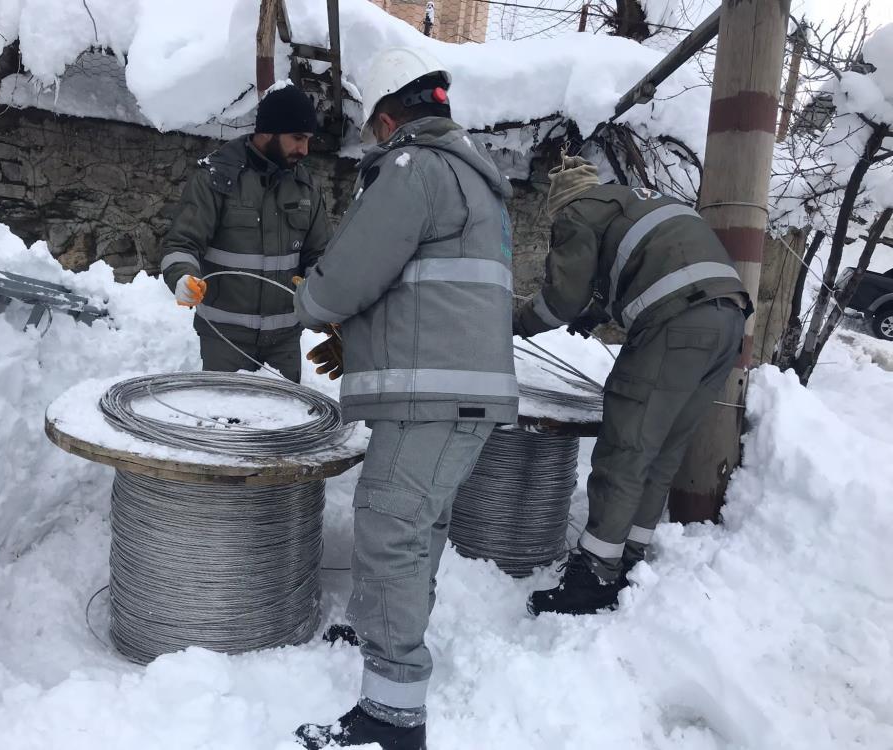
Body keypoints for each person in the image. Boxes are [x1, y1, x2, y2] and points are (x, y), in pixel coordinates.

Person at [291, 48, 518, 750]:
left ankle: (391, 716)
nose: (371, 144)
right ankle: (380, 632)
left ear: (389, 120)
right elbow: (425, 294)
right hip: (453, 393)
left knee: (389, 527)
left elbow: (350, 273)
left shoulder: (413, 169)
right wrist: (362, 339)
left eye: (371, 132)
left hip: (432, 398)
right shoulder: (470, 179)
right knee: (416, 526)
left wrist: (316, 303)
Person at [513, 155, 751, 617]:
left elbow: (560, 300)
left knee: (626, 446)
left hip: (677, 324)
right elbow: (642, 268)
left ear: (561, 202)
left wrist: (515, 322)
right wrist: (598, 312)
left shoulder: (577, 211)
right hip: (728, 324)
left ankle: (595, 577)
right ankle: (629, 560)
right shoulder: (640, 201)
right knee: (660, 451)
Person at [158, 85, 331, 382]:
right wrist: (183, 277)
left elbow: (321, 255)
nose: (304, 150)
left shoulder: (306, 188)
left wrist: (321, 296)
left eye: (308, 140)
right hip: (224, 341)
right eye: (297, 138)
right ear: (268, 132)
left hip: (284, 344)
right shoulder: (215, 179)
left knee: (283, 427)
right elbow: (182, 243)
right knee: (225, 425)